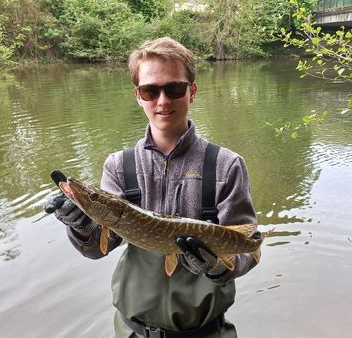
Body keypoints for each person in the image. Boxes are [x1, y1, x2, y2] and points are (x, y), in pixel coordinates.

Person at [45, 37, 258, 338]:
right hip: (133, 332)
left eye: (174, 89)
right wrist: (80, 224)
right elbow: (97, 248)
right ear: (138, 95)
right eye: (150, 90)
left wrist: (217, 267)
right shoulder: (119, 166)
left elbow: (247, 248)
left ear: (192, 91)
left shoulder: (226, 165)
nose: (162, 101)